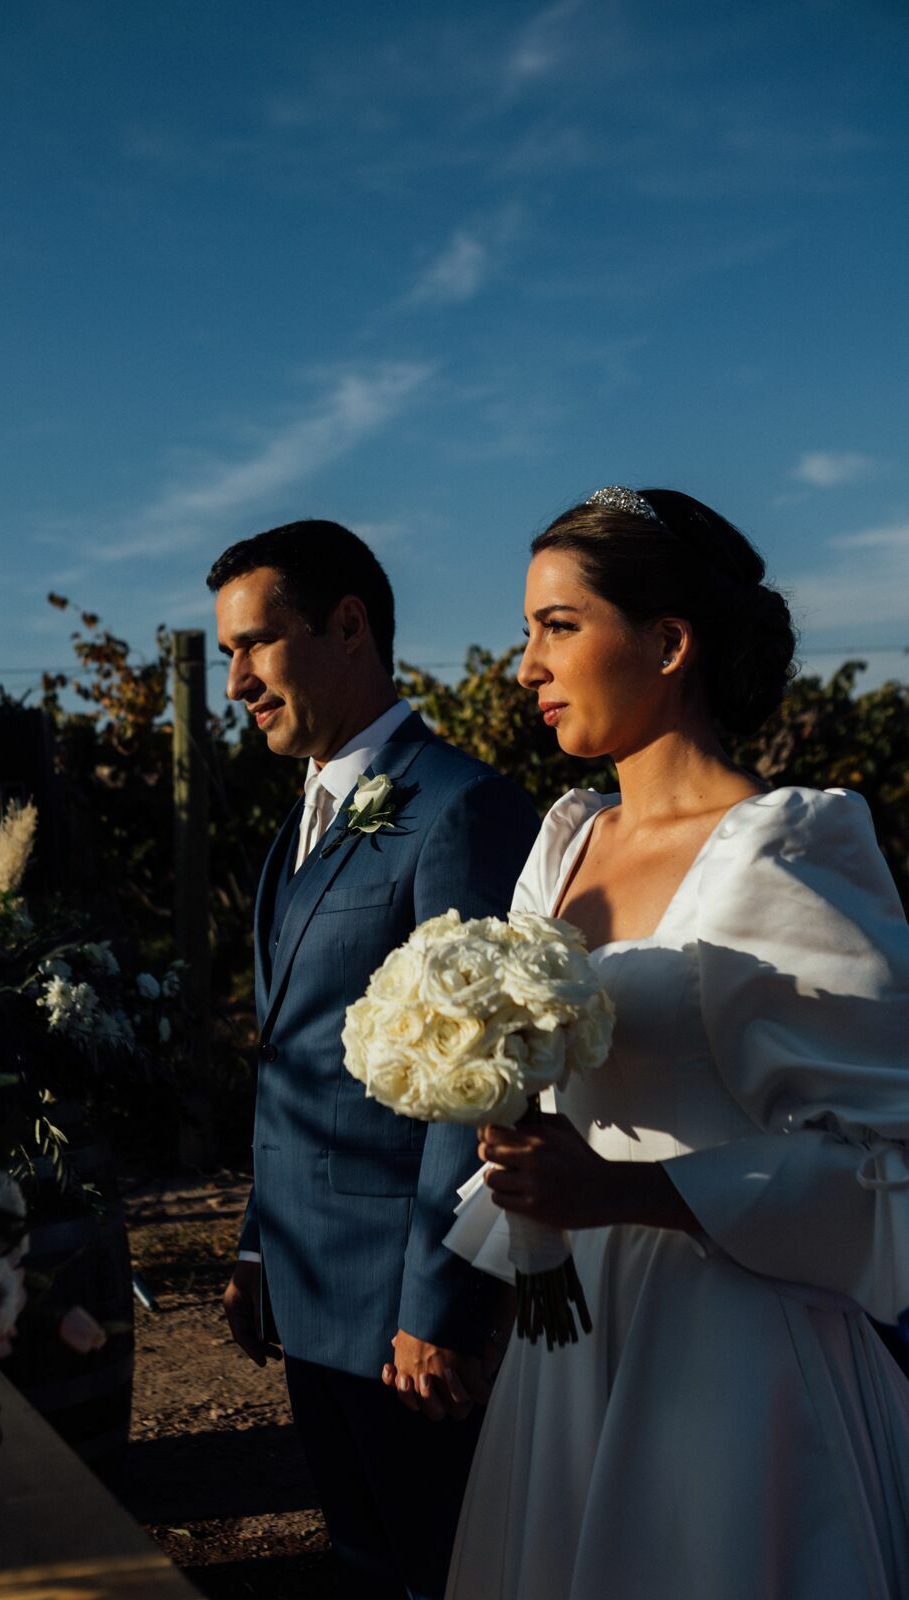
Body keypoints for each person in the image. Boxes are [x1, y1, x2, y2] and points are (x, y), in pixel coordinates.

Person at [440, 486, 909, 1600]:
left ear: (666, 642)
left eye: (556, 627)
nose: (523, 668)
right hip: (569, 1340)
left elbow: (884, 1159)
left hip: (726, 1351)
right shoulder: (562, 845)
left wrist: (639, 1192)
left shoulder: (782, 852)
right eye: (524, 633)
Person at [208, 519, 539, 1600]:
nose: (235, 682)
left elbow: (476, 1074)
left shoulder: (460, 804)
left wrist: (438, 1303)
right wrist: (261, 1248)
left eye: (254, 644)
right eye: (223, 655)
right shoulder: (296, 822)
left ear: (348, 626)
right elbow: (292, 1062)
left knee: (440, 1573)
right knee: (362, 1568)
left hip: (403, 1311)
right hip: (308, 1287)